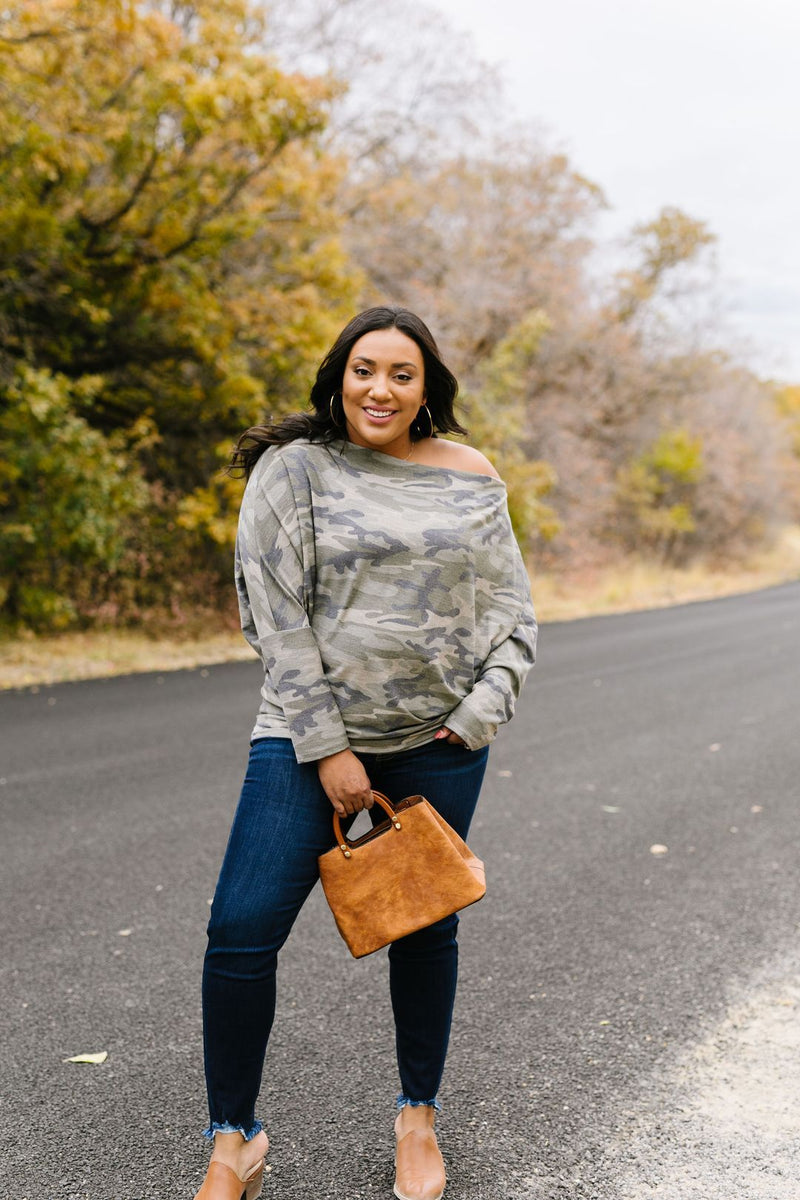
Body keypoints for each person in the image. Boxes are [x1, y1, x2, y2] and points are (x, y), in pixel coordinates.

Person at [194, 306, 537, 1200]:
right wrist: (330, 752)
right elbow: (276, 621)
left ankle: (416, 1118)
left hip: (440, 744)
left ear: (428, 389)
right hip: (307, 745)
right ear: (338, 376)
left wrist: (476, 717)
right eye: (364, 370)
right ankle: (234, 1140)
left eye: (401, 374)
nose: (380, 389)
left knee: (424, 931)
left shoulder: (471, 476)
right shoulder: (294, 470)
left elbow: (512, 616)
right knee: (240, 930)